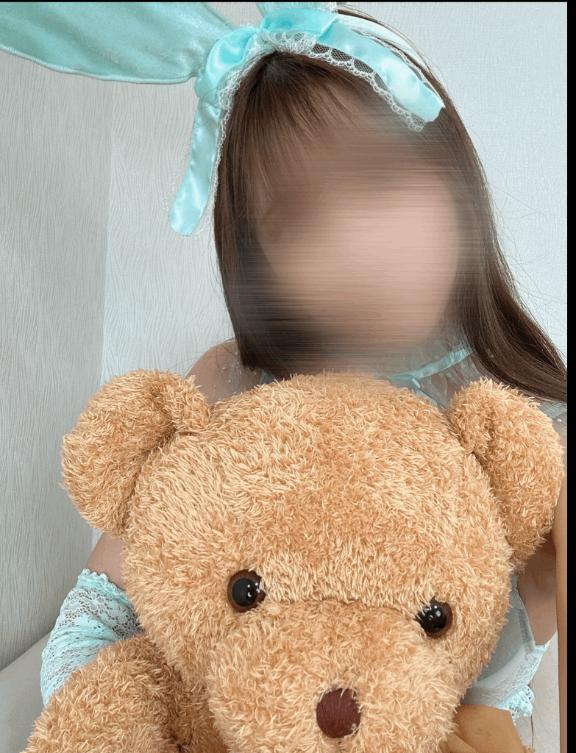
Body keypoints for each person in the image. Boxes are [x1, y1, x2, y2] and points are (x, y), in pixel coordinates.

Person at [37, 5, 566, 749]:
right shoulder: (232, 384)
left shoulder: (535, 434)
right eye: (297, 220)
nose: (353, 248)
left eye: (380, 178)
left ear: (453, 175)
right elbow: (97, 616)